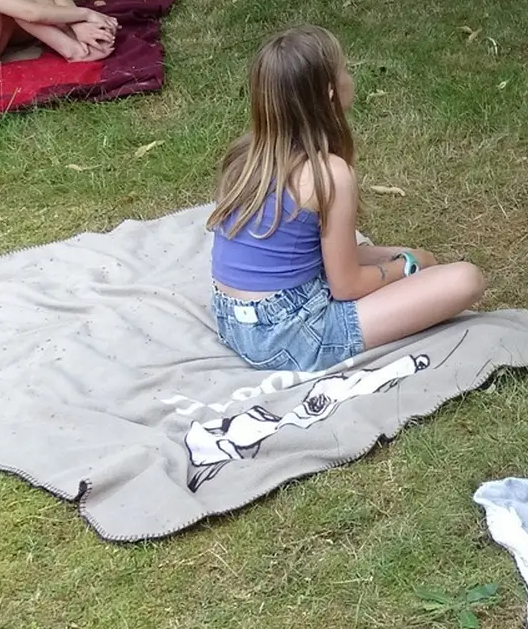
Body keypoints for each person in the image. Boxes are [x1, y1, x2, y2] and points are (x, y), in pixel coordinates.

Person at [208, 26, 486, 373]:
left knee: (403, 261)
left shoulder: (246, 155)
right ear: (330, 93)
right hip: (291, 335)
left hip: (232, 321)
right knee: (465, 279)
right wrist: (407, 266)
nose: (350, 77)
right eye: (345, 70)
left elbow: (313, 256)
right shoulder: (329, 174)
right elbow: (346, 285)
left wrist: (398, 253)